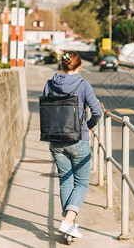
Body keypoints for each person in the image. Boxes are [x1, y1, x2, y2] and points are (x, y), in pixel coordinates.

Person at [42, 51, 102, 238]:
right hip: (78, 139)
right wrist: (89, 127)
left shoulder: (49, 84)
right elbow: (97, 111)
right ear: (79, 66)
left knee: (65, 181)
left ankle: (70, 226)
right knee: (82, 183)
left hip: (55, 140)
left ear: (62, 66)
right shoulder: (83, 85)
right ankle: (68, 221)